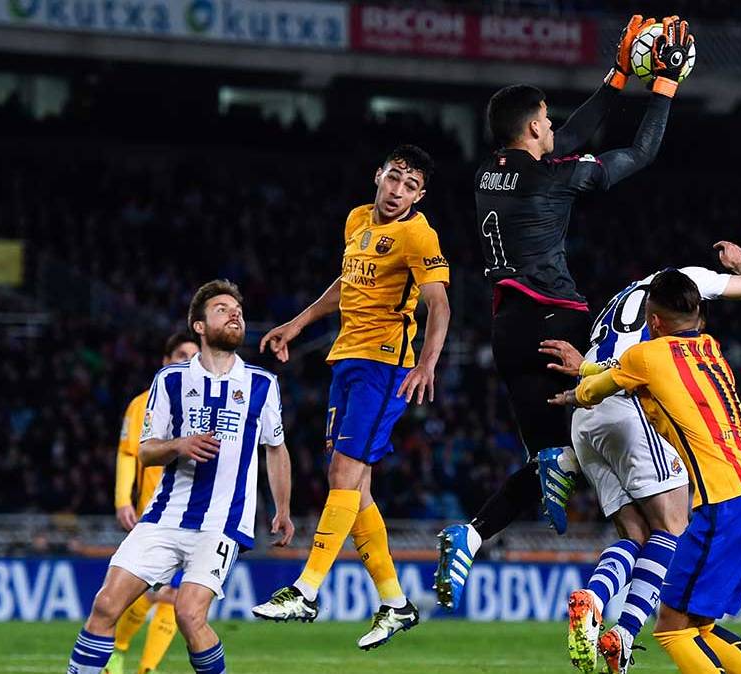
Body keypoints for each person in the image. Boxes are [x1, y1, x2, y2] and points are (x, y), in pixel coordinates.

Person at [435, 14, 697, 612]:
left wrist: (616, 77)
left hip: (507, 330)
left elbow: (571, 136)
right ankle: (648, 553)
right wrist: (664, 86)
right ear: (533, 126)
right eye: (547, 119)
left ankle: (471, 535)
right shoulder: (554, 180)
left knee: (548, 458)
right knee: (601, 435)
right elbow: (640, 153)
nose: (554, 125)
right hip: (558, 324)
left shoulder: (488, 174)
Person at [250, 145, 451, 651]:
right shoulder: (357, 220)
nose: (398, 190)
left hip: (384, 366)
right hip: (346, 360)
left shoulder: (418, 235)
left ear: (420, 195)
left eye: (410, 185)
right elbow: (347, 284)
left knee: (343, 474)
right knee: (355, 490)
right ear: (378, 175)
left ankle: (306, 589)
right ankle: (395, 603)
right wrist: (298, 324)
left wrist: (427, 363)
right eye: (394, 178)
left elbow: (439, 303)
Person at [539, 242, 741, 674]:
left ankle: (598, 601)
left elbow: (599, 384)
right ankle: (624, 632)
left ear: (653, 317)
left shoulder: (622, 302)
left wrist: (578, 383)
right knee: (672, 530)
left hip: (590, 418)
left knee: (636, 536)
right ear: (697, 309)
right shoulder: (707, 344)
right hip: (643, 415)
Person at [66, 279, 293, 674]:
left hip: (222, 523)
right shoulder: (170, 381)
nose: (234, 314)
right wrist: (179, 445)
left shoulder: (262, 384)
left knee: (188, 613)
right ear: (199, 326)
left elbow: (275, 448)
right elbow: (146, 451)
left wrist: (283, 509)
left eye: (238, 310)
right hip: (164, 516)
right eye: (222, 309)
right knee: (105, 605)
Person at [106, 332, 199, 674]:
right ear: (166, 362)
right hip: (156, 517)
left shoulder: (210, 405)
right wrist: (122, 499)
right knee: (148, 593)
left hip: (197, 518)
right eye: (181, 355)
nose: (188, 362)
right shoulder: (144, 402)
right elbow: (128, 453)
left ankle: (144, 667)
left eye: (194, 356)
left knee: (175, 597)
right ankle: (118, 650)